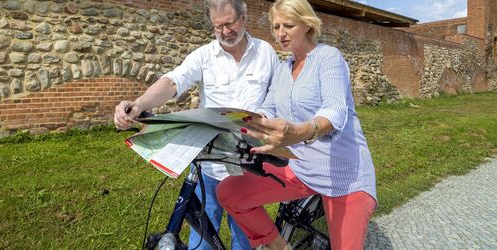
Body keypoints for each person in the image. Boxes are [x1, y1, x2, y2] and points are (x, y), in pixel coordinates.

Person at [113, 0, 279, 249]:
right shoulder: (204, 55)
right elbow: (173, 82)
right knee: (201, 242)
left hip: (247, 163)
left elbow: (277, 95)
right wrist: (138, 104)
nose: (225, 31)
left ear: (243, 17)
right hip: (209, 166)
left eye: (230, 23)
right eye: (217, 26)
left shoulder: (266, 53)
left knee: (244, 240)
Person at [216, 0, 377, 249]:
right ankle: (280, 246)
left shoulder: (328, 57)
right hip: (301, 169)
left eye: (288, 25)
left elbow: (335, 110)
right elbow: (267, 108)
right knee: (230, 192)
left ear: (307, 24)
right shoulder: (282, 69)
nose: (280, 33)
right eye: (275, 26)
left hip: (346, 176)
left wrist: (299, 132)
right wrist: (239, 123)